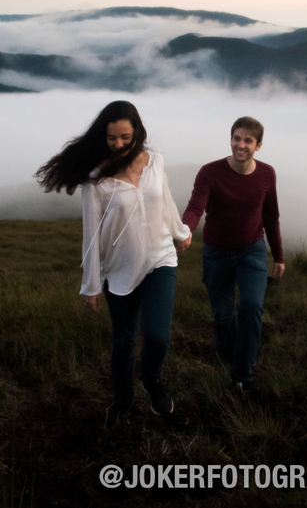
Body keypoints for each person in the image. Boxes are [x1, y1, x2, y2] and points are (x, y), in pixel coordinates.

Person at [36, 101, 191, 422]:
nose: (119, 144)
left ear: (137, 133)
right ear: (103, 137)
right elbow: (91, 235)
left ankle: (152, 382)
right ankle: (123, 400)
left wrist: (181, 232)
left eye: (125, 137)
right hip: (119, 269)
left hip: (160, 258)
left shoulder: (154, 162)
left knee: (159, 337)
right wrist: (91, 285)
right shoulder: (96, 180)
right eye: (112, 138)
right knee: (124, 340)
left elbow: (167, 201)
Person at [182, 116, 283, 393]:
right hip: (216, 253)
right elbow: (195, 207)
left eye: (248, 140)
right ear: (230, 140)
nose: (240, 145)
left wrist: (279, 255)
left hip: (252, 250)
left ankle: (243, 375)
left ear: (258, 145)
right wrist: (186, 229)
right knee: (224, 316)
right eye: (236, 138)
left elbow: (271, 215)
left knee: (251, 306)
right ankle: (228, 357)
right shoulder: (210, 172)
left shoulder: (267, 174)